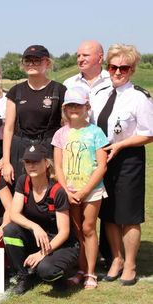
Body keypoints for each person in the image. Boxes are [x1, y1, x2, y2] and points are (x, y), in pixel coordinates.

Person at [90, 44, 153, 286]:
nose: (117, 71)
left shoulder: (139, 97)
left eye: (123, 67)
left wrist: (122, 145)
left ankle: (130, 264)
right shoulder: (100, 93)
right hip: (103, 158)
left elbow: (149, 133)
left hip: (128, 159)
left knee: (128, 215)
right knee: (108, 214)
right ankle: (115, 259)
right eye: (113, 66)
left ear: (132, 69)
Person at [63, 40, 113, 270]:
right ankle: (81, 265)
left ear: (99, 57)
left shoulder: (112, 81)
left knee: (92, 224)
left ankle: (100, 262)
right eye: (78, 55)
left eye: (85, 55)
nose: (80, 59)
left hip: (98, 156)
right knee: (77, 227)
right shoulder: (69, 82)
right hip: (73, 171)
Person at [3, 144, 79, 295]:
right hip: (37, 237)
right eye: (28, 162)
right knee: (10, 230)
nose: (31, 166)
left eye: (36, 161)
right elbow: (14, 214)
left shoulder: (57, 191)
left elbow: (64, 232)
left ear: (46, 163)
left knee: (46, 270)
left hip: (60, 243)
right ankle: (24, 276)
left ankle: (56, 277)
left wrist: (42, 254)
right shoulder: (22, 181)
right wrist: (34, 227)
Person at [52, 87, 108, 289]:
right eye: (70, 105)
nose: (74, 109)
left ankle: (91, 273)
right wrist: (66, 190)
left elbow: (102, 165)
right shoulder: (60, 134)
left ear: (87, 107)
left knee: (88, 228)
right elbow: (57, 165)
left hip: (92, 190)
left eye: (78, 105)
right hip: (70, 190)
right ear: (65, 109)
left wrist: (85, 191)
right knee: (76, 230)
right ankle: (81, 270)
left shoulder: (96, 132)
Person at [2, 45, 66, 185]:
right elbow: (8, 129)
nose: (31, 64)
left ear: (47, 63)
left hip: (48, 148)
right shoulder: (15, 91)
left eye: (36, 60)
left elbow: (67, 126)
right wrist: (6, 162)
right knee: (21, 190)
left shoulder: (59, 90)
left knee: (50, 190)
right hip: (21, 148)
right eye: (28, 60)